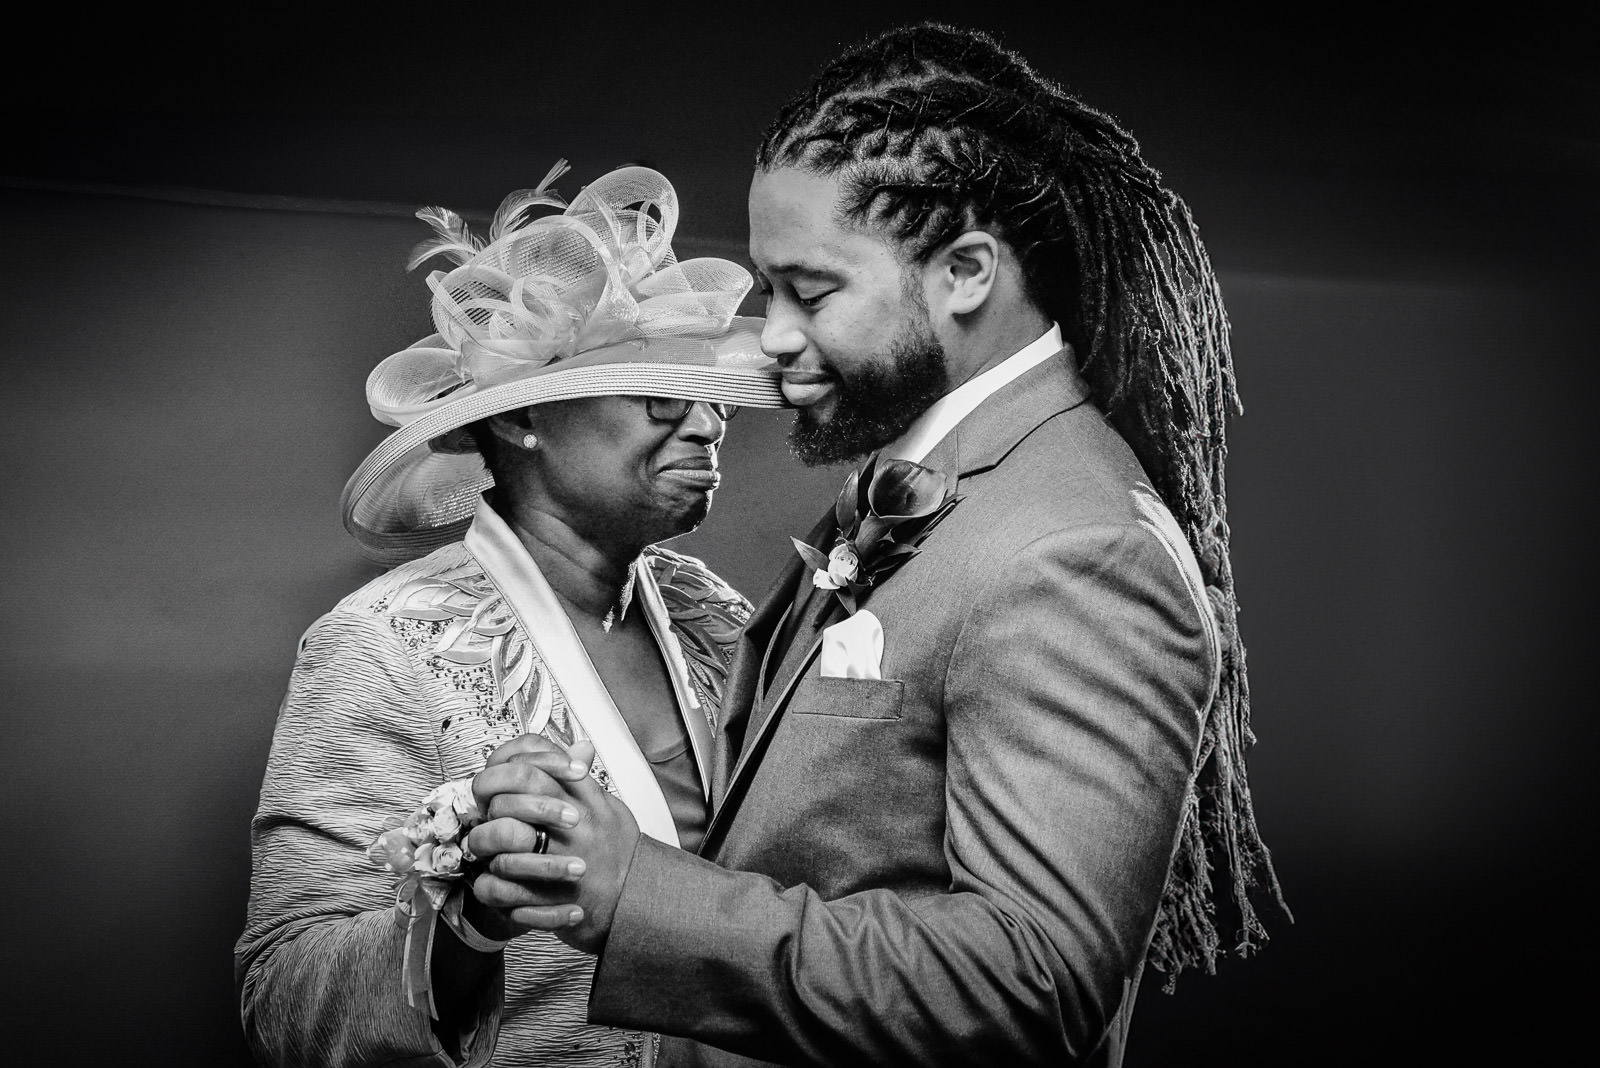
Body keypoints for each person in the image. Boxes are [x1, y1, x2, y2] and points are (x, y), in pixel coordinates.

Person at [466, 22, 1290, 1068]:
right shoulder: (930, 487)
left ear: (964, 273)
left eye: (810, 293)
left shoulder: (1073, 547)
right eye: (769, 290)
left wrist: (637, 893)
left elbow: (1025, 983)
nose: (767, 334)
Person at [233, 162, 786, 1067]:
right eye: (659, 393)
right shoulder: (379, 645)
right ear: (528, 420)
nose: (707, 425)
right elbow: (287, 1004)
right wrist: (470, 915)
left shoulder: (717, 615)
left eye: (709, 396)